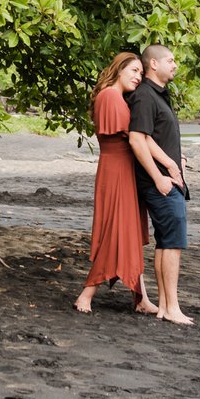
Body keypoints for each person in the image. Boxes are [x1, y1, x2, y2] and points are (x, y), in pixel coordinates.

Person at [74, 52, 158, 315]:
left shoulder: (115, 97)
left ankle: (140, 297)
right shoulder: (110, 96)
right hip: (116, 170)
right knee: (115, 231)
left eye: (140, 74)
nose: (137, 77)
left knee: (128, 232)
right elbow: (136, 138)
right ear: (119, 70)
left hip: (121, 170)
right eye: (133, 71)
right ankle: (86, 293)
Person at [128, 43, 194, 325]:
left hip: (168, 179)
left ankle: (167, 305)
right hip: (160, 184)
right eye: (170, 60)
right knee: (172, 243)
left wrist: (174, 157)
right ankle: (172, 307)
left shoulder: (158, 95)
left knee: (169, 242)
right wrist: (160, 176)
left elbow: (153, 137)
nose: (175, 64)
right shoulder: (144, 95)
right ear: (153, 64)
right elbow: (136, 138)